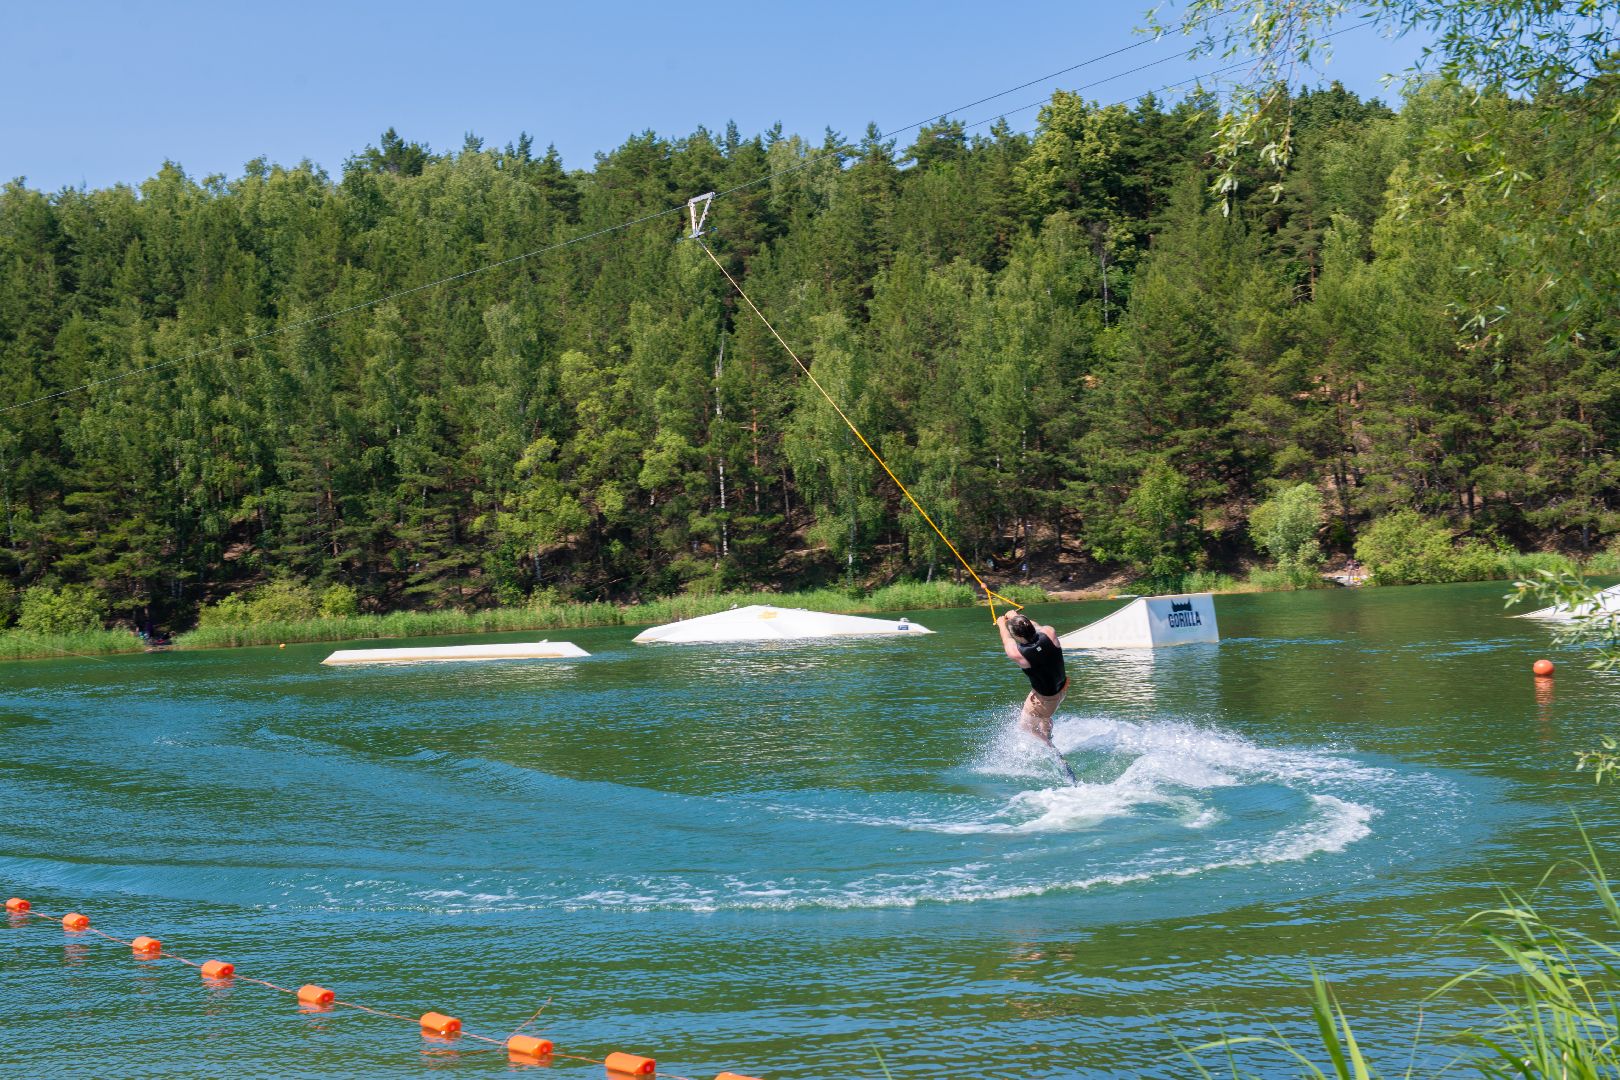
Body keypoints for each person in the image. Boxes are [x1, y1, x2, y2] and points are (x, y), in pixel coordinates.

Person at [997, 611, 1067, 746]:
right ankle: (1047, 733)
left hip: (1044, 699)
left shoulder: (1019, 655)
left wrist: (1001, 624)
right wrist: (1017, 617)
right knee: (1043, 716)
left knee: (1026, 727)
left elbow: (1007, 641)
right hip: (1062, 689)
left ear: (1017, 635)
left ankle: (1050, 748)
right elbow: (1035, 626)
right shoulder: (1049, 633)